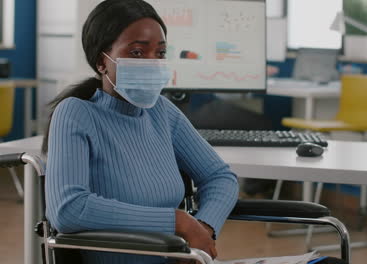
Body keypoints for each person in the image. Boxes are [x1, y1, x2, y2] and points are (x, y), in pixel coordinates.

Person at [42, 0, 239, 263]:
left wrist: (203, 227)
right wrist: (178, 222)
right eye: (137, 53)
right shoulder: (76, 113)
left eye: (159, 53)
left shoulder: (162, 112)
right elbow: (68, 209)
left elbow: (220, 177)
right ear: (103, 61)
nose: (152, 63)